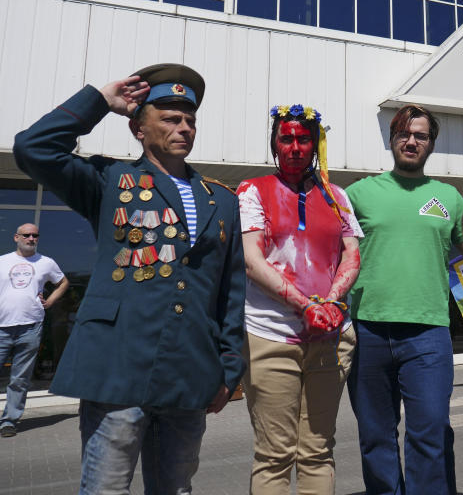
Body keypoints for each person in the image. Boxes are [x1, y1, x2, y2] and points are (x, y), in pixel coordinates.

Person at [13, 64, 246, 494]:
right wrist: (100, 101)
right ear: (139, 127)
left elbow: (230, 292)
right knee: (106, 488)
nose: (185, 127)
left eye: (190, 120)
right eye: (171, 119)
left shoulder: (222, 200)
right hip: (118, 367)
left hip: (190, 373)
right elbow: (33, 149)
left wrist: (230, 367)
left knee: (175, 489)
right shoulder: (109, 181)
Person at [346, 104, 463, 495]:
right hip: (368, 329)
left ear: (431, 144)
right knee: (375, 437)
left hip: (429, 334)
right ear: (391, 139)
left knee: (431, 431)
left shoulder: (449, 198)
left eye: (420, 135)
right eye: (404, 133)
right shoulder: (358, 194)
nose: (411, 141)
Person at [237, 104, 363, 494]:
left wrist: (329, 303)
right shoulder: (252, 191)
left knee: (318, 450)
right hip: (270, 336)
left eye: (303, 138)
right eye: (286, 138)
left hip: (331, 339)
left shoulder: (337, 194)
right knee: (274, 455)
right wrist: (306, 305)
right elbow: (252, 261)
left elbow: (352, 255)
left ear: (315, 144)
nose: (294, 147)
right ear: (274, 145)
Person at [0, 224, 70, 437]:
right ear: (16, 237)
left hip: (31, 326)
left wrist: (49, 302)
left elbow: (63, 282)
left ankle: (9, 421)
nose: (31, 238)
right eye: (26, 235)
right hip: (2, 327)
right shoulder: (3, 261)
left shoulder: (46, 263)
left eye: (35, 235)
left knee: (20, 378)